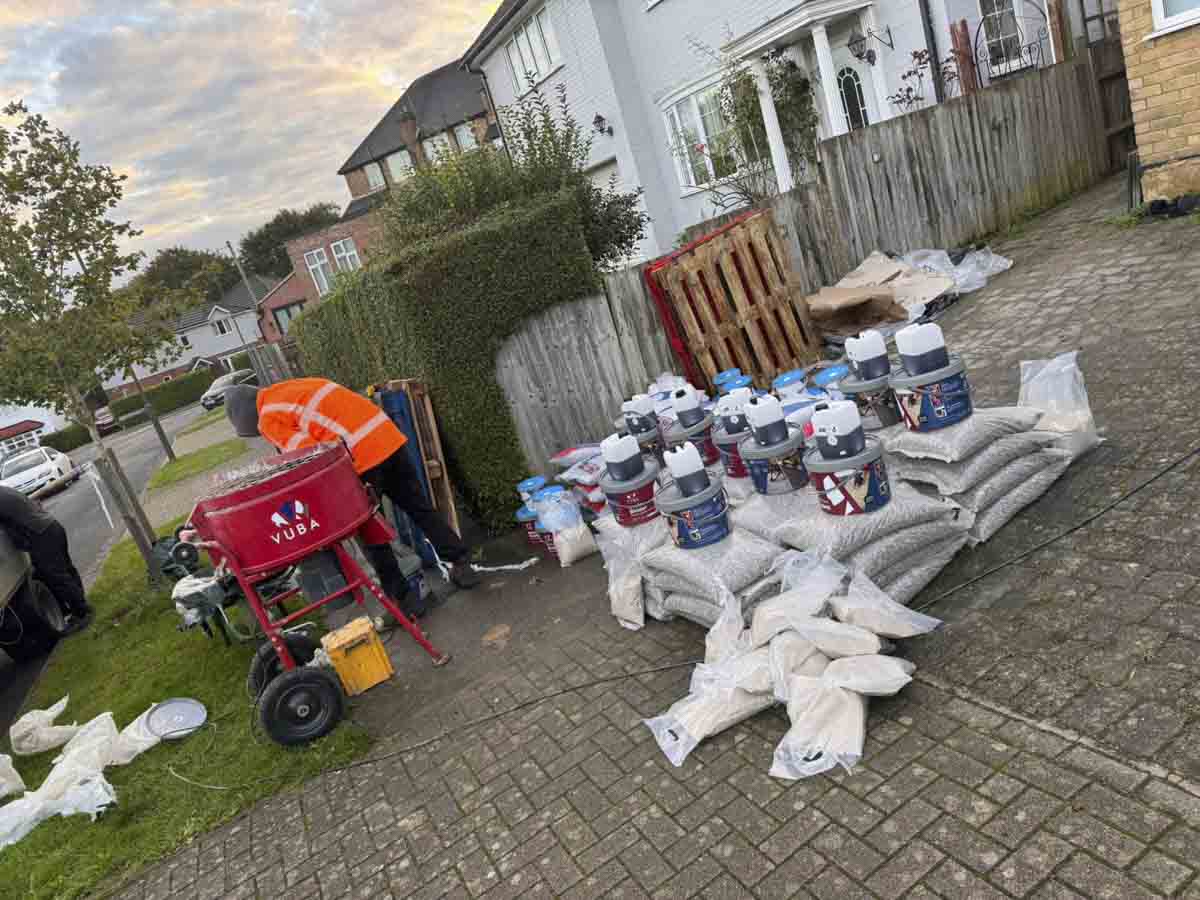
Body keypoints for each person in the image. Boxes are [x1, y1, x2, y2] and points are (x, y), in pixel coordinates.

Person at [223, 378, 478, 618]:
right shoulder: (292, 388)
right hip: (387, 440)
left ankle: (405, 602)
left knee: (371, 535)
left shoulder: (268, 417)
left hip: (362, 460)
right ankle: (461, 564)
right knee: (419, 508)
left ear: (247, 418)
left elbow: (309, 455)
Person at [0, 485, 93, 632]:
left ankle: (82, 613)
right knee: (65, 570)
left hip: (40, 534)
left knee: (58, 577)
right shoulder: (4, 489)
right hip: (50, 526)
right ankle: (81, 606)